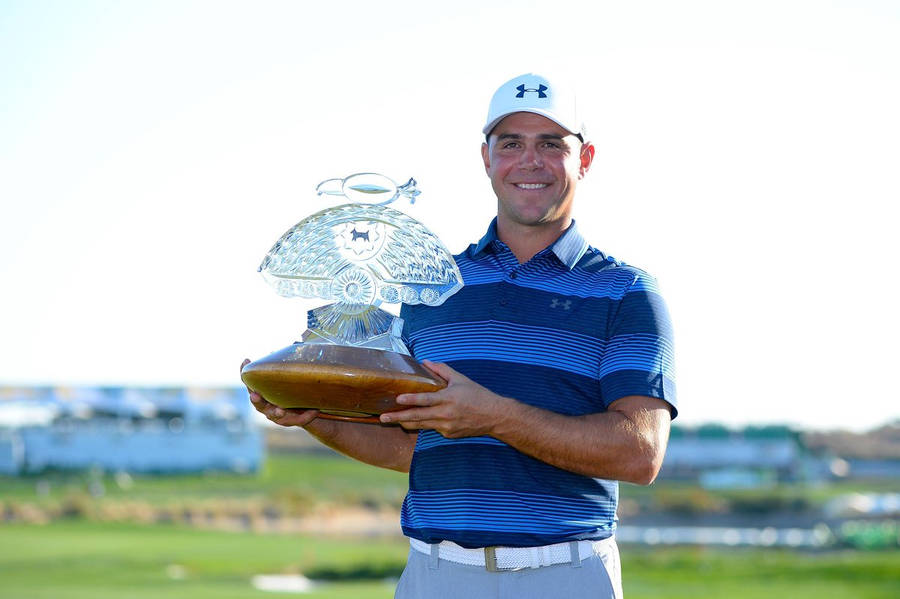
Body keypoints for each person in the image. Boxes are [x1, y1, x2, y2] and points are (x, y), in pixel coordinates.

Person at [243, 73, 677, 599]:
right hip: (436, 574)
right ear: (486, 159)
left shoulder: (625, 292)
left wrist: (494, 415)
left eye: (551, 145)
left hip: (565, 574)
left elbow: (639, 454)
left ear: (583, 160)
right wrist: (313, 418)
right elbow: (413, 448)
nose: (529, 161)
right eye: (511, 144)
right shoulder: (429, 286)